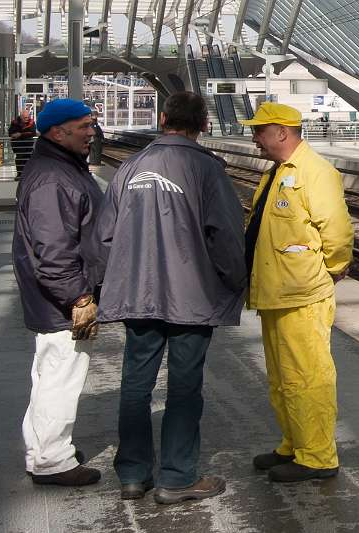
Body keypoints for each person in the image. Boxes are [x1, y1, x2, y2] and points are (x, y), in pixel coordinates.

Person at [88, 92, 246, 504]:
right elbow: (226, 235)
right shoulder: (207, 170)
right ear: (204, 125)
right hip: (190, 297)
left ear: (162, 119)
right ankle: (176, 476)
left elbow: (103, 236)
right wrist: (235, 281)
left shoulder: (129, 168)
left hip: (136, 293)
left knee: (135, 384)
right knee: (184, 386)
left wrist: (99, 286)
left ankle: (133, 475)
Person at [240, 102, 353, 483]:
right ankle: (294, 443)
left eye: (259, 130)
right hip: (276, 290)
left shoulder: (316, 172)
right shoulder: (277, 172)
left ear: (282, 132)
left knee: (308, 375)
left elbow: (336, 232)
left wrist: (333, 270)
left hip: (302, 293)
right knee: (282, 376)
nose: (254, 137)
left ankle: (318, 456)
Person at [12, 98, 101, 487]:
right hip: (60, 301)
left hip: (53, 298)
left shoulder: (59, 167)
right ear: (57, 131)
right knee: (60, 377)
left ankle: (43, 449)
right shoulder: (54, 179)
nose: (90, 132)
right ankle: (52, 461)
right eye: (83, 126)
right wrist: (78, 297)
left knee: (49, 372)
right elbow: (54, 248)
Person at [8, 109, 37, 177]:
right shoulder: (14, 122)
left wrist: (20, 134)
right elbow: (11, 133)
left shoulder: (31, 122)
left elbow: (33, 133)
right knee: (19, 159)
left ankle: (28, 174)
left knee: (28, 159)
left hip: (28, 145)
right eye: (25, 117)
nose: (27, 119)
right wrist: (25, 134)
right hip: (18, 146)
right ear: (21, 117)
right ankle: (20, 174)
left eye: (27, 117)